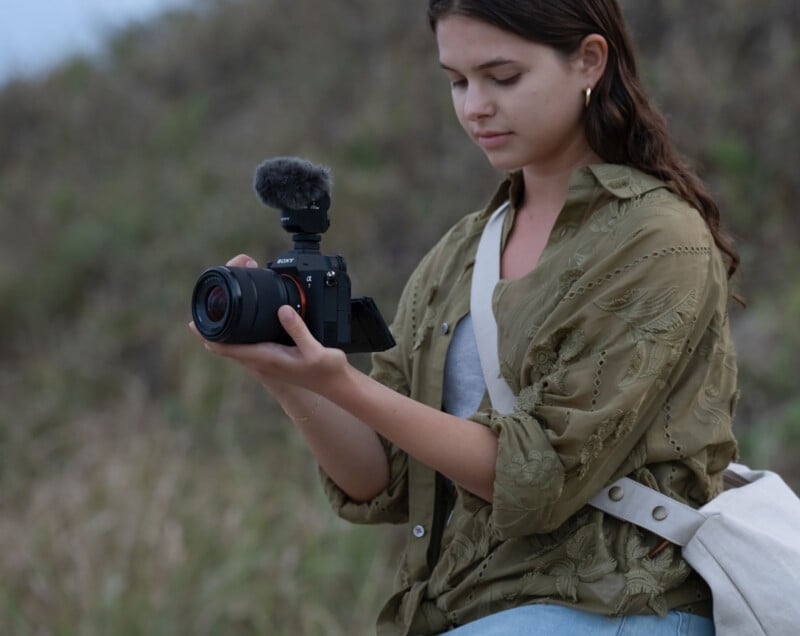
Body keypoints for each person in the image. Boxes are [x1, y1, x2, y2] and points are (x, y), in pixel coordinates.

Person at [191, 1, 740, 634]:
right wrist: (288, 371)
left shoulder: (657, 241)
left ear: (589, 59)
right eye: (457, 80)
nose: (474, 105)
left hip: (614, 604)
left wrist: (343, 382)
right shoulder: (460, 252)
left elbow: (535, 476)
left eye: (502, 77)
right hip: (465, 606)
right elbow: (381, 479)